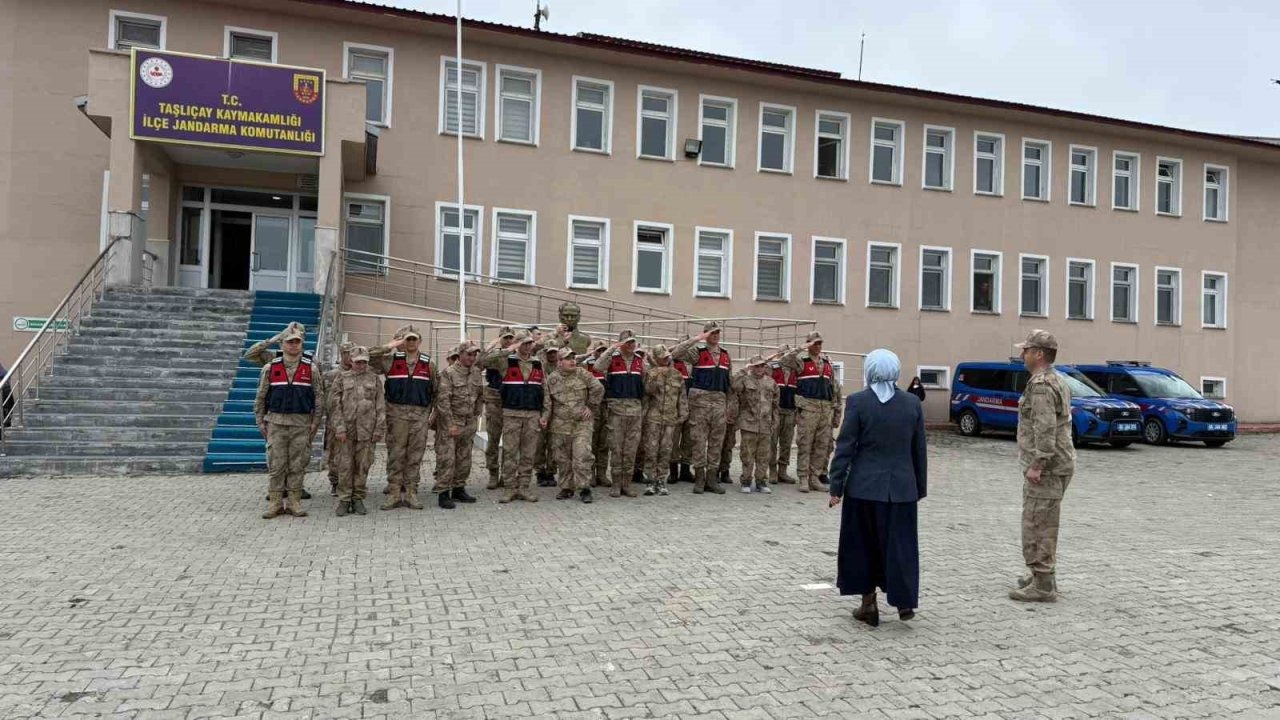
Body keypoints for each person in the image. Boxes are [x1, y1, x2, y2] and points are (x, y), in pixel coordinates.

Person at [828, 349, 927, 627]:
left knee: (863, 546)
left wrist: (836, 486)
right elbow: (918, 450)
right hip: (902, 491)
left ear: (869, 371)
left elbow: (845, 446)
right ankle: (904, 601)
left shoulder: (859, 402)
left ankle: (868, 604)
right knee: (901, 546)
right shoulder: (911, 403)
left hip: (864, 489)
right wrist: (918, 487)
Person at [1010, 329, 1076, 603]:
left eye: (1026, 350)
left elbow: (1045, 429)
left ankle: (1043, 583)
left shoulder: (1041, 385)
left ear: (1038, 354)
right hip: (1059, 463)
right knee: (1044, 520)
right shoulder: (1056, 380)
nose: (1022, 354)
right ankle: (1041, 575)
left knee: (1038, 524)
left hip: (1047, 467)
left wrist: (1037, 463)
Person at [254, 323, 324, 519]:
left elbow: (319, 397)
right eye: (290, 342)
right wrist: (260, 420)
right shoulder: (271, 367)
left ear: (301, 344)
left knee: (297, 464)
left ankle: (294, 501)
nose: (293, 345)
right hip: (276, 422)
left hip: (301, 423)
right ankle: (275, 502)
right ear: (282, 345)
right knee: (276, 465)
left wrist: (315, 422)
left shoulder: (311, 368)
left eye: (297, 342)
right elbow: (261, 396)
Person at [368, 324, 436, 511]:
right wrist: (391, 345)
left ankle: (412, 492)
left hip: (419, 418)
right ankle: (394, 493)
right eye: (407, 339)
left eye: (414, 339)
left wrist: (431, 415)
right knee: (396, 455)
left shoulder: (428, 363)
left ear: (419, 341)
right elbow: (369, 356)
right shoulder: (390, 361)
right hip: (396, 416)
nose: (411, 342)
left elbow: (436, 391)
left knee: (415, 456)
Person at [482, 329, 545, 502]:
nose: (527, 346)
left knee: (528, 453)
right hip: (511, 412)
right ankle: (509, 487)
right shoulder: (506, 361)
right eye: (523, 343)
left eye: (529, 343)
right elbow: (483, 361)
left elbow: (543, 388)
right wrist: (509, 349)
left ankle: (524, 487)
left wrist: (544, 413)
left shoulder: (537, 362)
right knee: (510, 452)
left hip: (532, 413)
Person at [670, 323, 732, 495]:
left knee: (716, 442)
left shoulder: (726, 355)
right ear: (705, 334)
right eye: (712, 332)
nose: (715, 335)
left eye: (718, 332)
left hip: (719, 402)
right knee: (698, 441)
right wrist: (697, 339)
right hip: (700, 404)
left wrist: (729, 407)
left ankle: (711, 479)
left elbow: (729, 384)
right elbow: (676, 353)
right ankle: (699, 479)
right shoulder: (698, 352)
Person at [328, 346, 384, 516]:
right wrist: (339, 428)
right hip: (346, 431)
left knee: (362, 466)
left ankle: (358, 498)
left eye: (364, 362)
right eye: (358, 362)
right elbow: (334, 405)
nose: (361, 365)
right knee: (344, 466)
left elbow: (380, 405)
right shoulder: (341, 378)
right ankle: (344, 500)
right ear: (351, 361)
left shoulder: (374, 379)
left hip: (367, 431)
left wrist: (379, 428)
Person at [781, 332, 840, 493]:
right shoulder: (801, 361)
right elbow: (784, 360)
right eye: (814, 343)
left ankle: (815, 477)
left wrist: (835, 411)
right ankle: (803, 478)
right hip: (808, 409)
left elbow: (833, 389)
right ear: (808, 344)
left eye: (820, 343)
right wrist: (801, 348)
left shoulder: (827, 363)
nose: (818, 346)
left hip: (825, 409)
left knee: (821, 446)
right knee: (805, 444)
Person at [542, 350, 603, 503]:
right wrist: (545, 418)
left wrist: (591, 406)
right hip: (560, 425)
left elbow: (598, 388)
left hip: (581, 424)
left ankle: (584, 488)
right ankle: (566, 487)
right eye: (568, 359)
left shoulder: (582, 373)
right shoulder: (552, 379)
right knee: (562, 458)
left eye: (573, 358)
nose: (572, 361)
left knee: (582, 455)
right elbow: (548, 402)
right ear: (559, 361)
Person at [432, 341, 485, 509]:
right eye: (469, 354)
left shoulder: (476, 373)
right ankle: (443, 493)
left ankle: (458, 489)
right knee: (447, 459)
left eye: (474, 354)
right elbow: (443, 401)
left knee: (464, 458)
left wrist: (476, 414)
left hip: (468, 422)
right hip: (452, 422)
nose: (472, 357)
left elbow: (479, 395)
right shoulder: (448, 373)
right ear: (460, 354)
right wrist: (450, 424)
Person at [594, 330, 646, 498]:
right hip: (616, 409)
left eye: (633, 342)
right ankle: (616, 483)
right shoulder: (613, 359)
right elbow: (597, 366)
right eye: (628, 342)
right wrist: (612, 348)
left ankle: (626, 484)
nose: (631, 345)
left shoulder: (639, 361)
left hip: (635, 410)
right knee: (616, 448)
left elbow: (646, 382)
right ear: (621, 343)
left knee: (630, 449)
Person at [641, 344, 687, 496]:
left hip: (670, 417)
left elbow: (682, 396)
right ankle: (650, 480)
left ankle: (661, 480)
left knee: (666, 450)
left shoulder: (676, 374)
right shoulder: (651, 373)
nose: (666, 359)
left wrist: (683, 412)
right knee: (651, 449)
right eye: (663, 357)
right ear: (656, 358)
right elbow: (648, 391)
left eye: (667, 357)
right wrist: (656, 375)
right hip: (654, 417)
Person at [730, 354, 779, 493]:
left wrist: (775, 422)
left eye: (762, 365)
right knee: (747, 454)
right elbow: (733, 385)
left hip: (765, 424)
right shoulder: (745, 380)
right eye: (756, 365)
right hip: (748, 423)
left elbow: (775, 405)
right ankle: (746, 481)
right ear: (752, 367)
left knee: (764, 455)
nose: (759, 368)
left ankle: (761, 482)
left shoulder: (771, 382)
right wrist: (744, 370)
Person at [482, 326, 516, 489]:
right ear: (500, 339)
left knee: (510, 442)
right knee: (493, 440)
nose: (508, 341)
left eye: (511, 338)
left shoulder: (516, 356)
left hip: (511, 400)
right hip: (494, 400)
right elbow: (481, 362)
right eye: (505, 338)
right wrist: (501, 349)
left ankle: (506, 474)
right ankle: (493, 473)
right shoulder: (494, 355)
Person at [324, 342, 356, 496]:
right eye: (348, 353)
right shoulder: (332, 375)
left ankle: (354, 483)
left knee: (356, 455)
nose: (351, 356)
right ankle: (335, 483)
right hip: (337, 422)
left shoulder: (363, 372)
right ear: (342, 355)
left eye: (353, 353)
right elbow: (329, 402)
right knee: (336, 455)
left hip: (358, 423)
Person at [535, 344, 562, 487]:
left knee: (553, 443)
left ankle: (551, 471)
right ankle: (540, 472)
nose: (552, 355)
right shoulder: (540, 367)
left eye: (554, 352)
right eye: (549, 353)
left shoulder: (562, 368)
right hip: (542, 408)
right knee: (539, 443)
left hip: (557, 410)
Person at [768, 350, 798, 484]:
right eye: (783, 354)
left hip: (790, 411)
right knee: (772, 442)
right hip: (775, 411)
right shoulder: (772, 369)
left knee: (786, 443)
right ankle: (772, 470)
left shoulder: (795, 371)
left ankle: (782, 471)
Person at [586, 339, 611, 487]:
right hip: (593, 408)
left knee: (604, 442)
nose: (601, 353)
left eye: (604, 350)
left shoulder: (608, 366)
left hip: (607, 406)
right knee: (591, 441)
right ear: (594, 351)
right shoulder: (587, 365)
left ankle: (601, 473)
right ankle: (590, 473)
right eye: (599, 350)